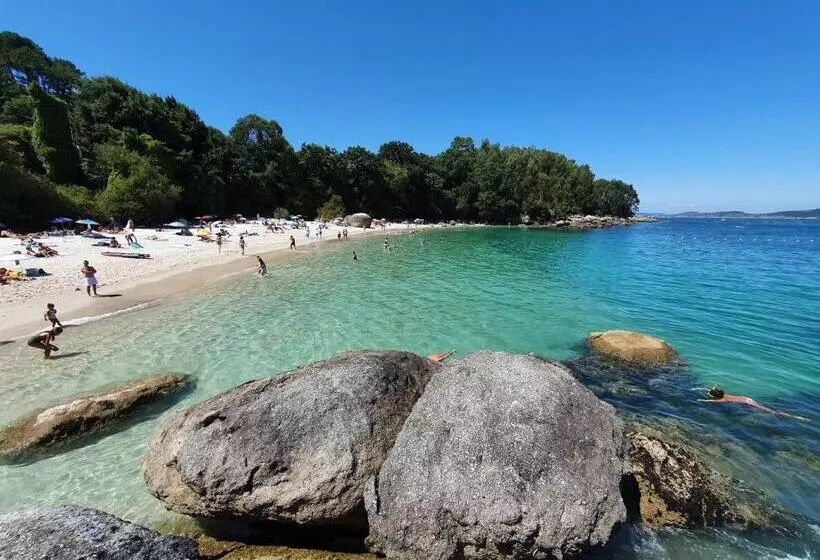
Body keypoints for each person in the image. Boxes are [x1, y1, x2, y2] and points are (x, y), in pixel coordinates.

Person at [698, 385, 809, 421]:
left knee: (770, 412)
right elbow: (714, 388)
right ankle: (793, 416)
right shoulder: (724, 395)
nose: (710, 395)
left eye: (711, 394)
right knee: (765, 409)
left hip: (748, 403)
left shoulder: (723, 400)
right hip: (747, 399)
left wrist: (701, 400)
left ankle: (796, 417)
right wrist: (704, 389)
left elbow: (710, 401)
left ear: (715, 396)